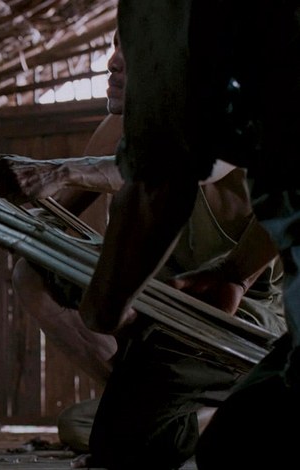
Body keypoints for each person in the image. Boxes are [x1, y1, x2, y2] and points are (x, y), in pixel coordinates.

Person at [0, 30, 285, 469]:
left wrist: (60, 170)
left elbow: (173, 169)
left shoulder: (228, 120)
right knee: (35, 272)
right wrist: (3, 216)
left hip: (234, 314)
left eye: (134, 48)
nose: (113, 62)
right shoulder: (122, 126)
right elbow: (53, 216)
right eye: (115, 45)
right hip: (161, 302)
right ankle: (143, 399)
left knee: (123, 446)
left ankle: (216, 411)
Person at [75, 2, 300, 470]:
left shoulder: (175, 19)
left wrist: (106, 310)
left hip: (259, 317)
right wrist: (234, 272)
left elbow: (159, 185)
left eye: (125, 46)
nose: (115, 61)